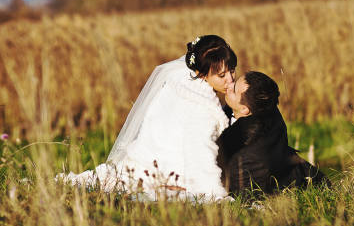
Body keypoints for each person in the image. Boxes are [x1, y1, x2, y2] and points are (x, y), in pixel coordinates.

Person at [59, 35, 236, 201]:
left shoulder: (177, 83)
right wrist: (214, 192)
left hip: (142, 161)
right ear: (202, 74)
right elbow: (200, 155)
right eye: (221, 75)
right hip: (167, 174)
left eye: (232, 71)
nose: (230, 79)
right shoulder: (202, 107)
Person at [217, 71, 329, 198]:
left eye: (234, 90)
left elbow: (242, 193)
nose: (230, 84)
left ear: (244, 109)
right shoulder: (267, 113)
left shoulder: (245, 149)